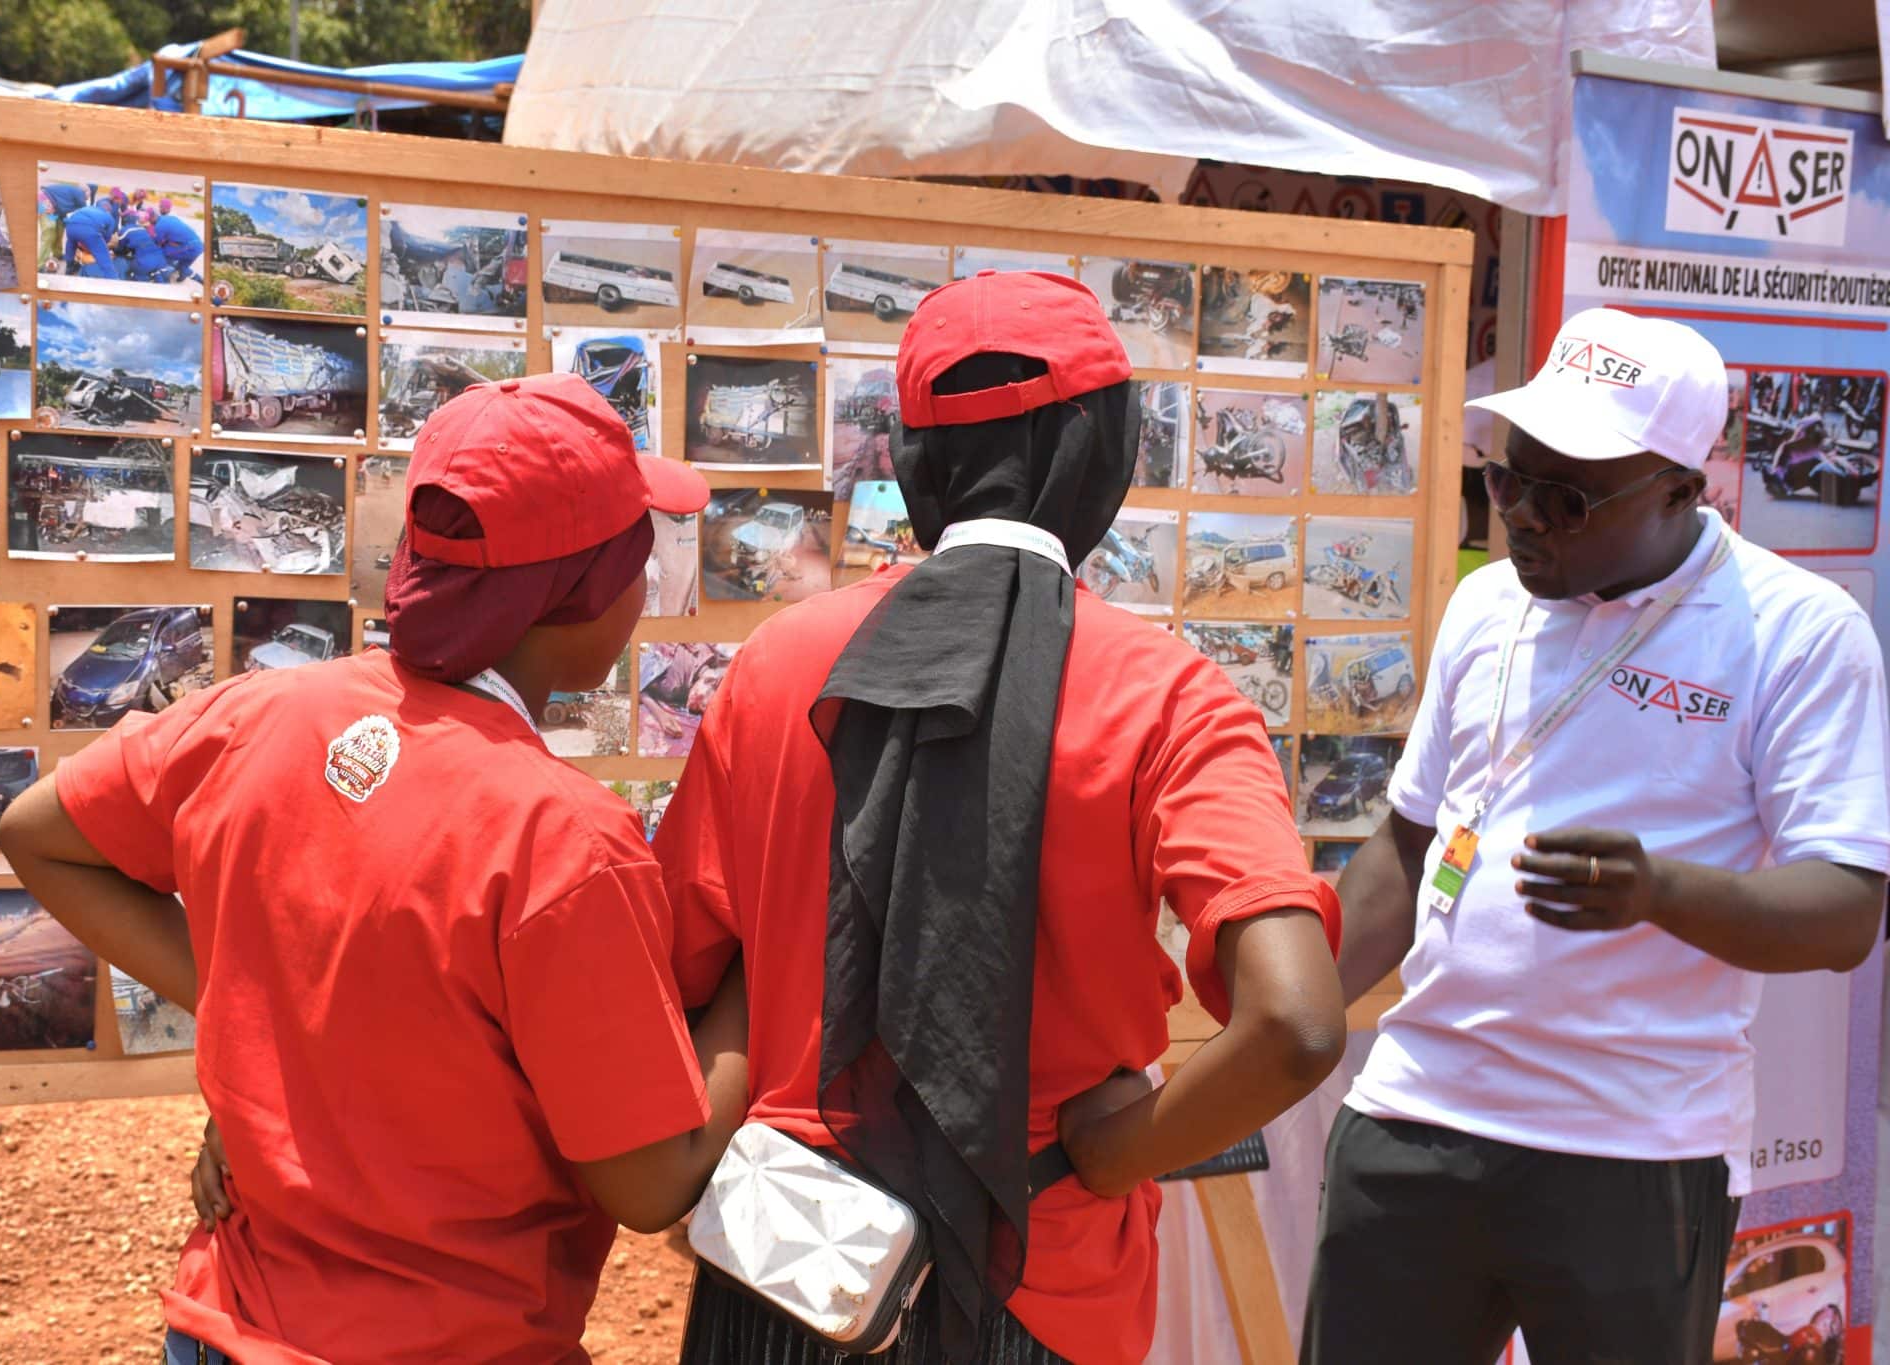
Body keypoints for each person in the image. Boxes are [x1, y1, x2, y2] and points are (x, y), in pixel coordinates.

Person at [656, 270, 1346, 1365]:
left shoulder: (776, 666)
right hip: (1041, 1282)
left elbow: (685, 960)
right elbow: (1297, 1023)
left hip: (790, 1269)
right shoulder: (1165, 695)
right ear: (1105, 454)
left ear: (916, 464)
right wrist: (1120, 1155)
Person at [0, 374, 748, 1365]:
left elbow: (35, 832)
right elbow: (651, 1184)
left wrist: (246, 1005)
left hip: (230, 1322)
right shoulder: (561, 837)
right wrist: (753, 975)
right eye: (640, 556)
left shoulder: (260, 714)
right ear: (586, 592)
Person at [1306, 308, 1890, 1365]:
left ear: (1681, 488)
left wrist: (1659, 892)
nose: (1523, 516)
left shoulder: (1796, 631)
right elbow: (1405, 847)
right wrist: (1277, 1020)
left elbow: (1845, 910)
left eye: (1563, 496)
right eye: (1503, 480)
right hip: (1412, 1117)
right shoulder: (1486, 606)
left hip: (1630, 1150)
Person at [59, 196, 122, 279]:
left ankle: (69, 267)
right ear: (109, 211)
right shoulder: (109, 217)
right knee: (103, 256)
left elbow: (73, 216)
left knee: (70, 244)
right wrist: (99, 245)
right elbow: (107, 237)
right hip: (89, 230)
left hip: (70, 226)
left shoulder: (87, 208)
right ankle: (112, 278)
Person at [152, 206, 205, 282]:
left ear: (153, 218)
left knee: (164, 254)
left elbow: (157, 243)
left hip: (189, 247)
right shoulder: (172, 218)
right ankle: (193, 279)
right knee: (183, 266)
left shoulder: (159, 226)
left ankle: (165, 276)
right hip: (199, 245)